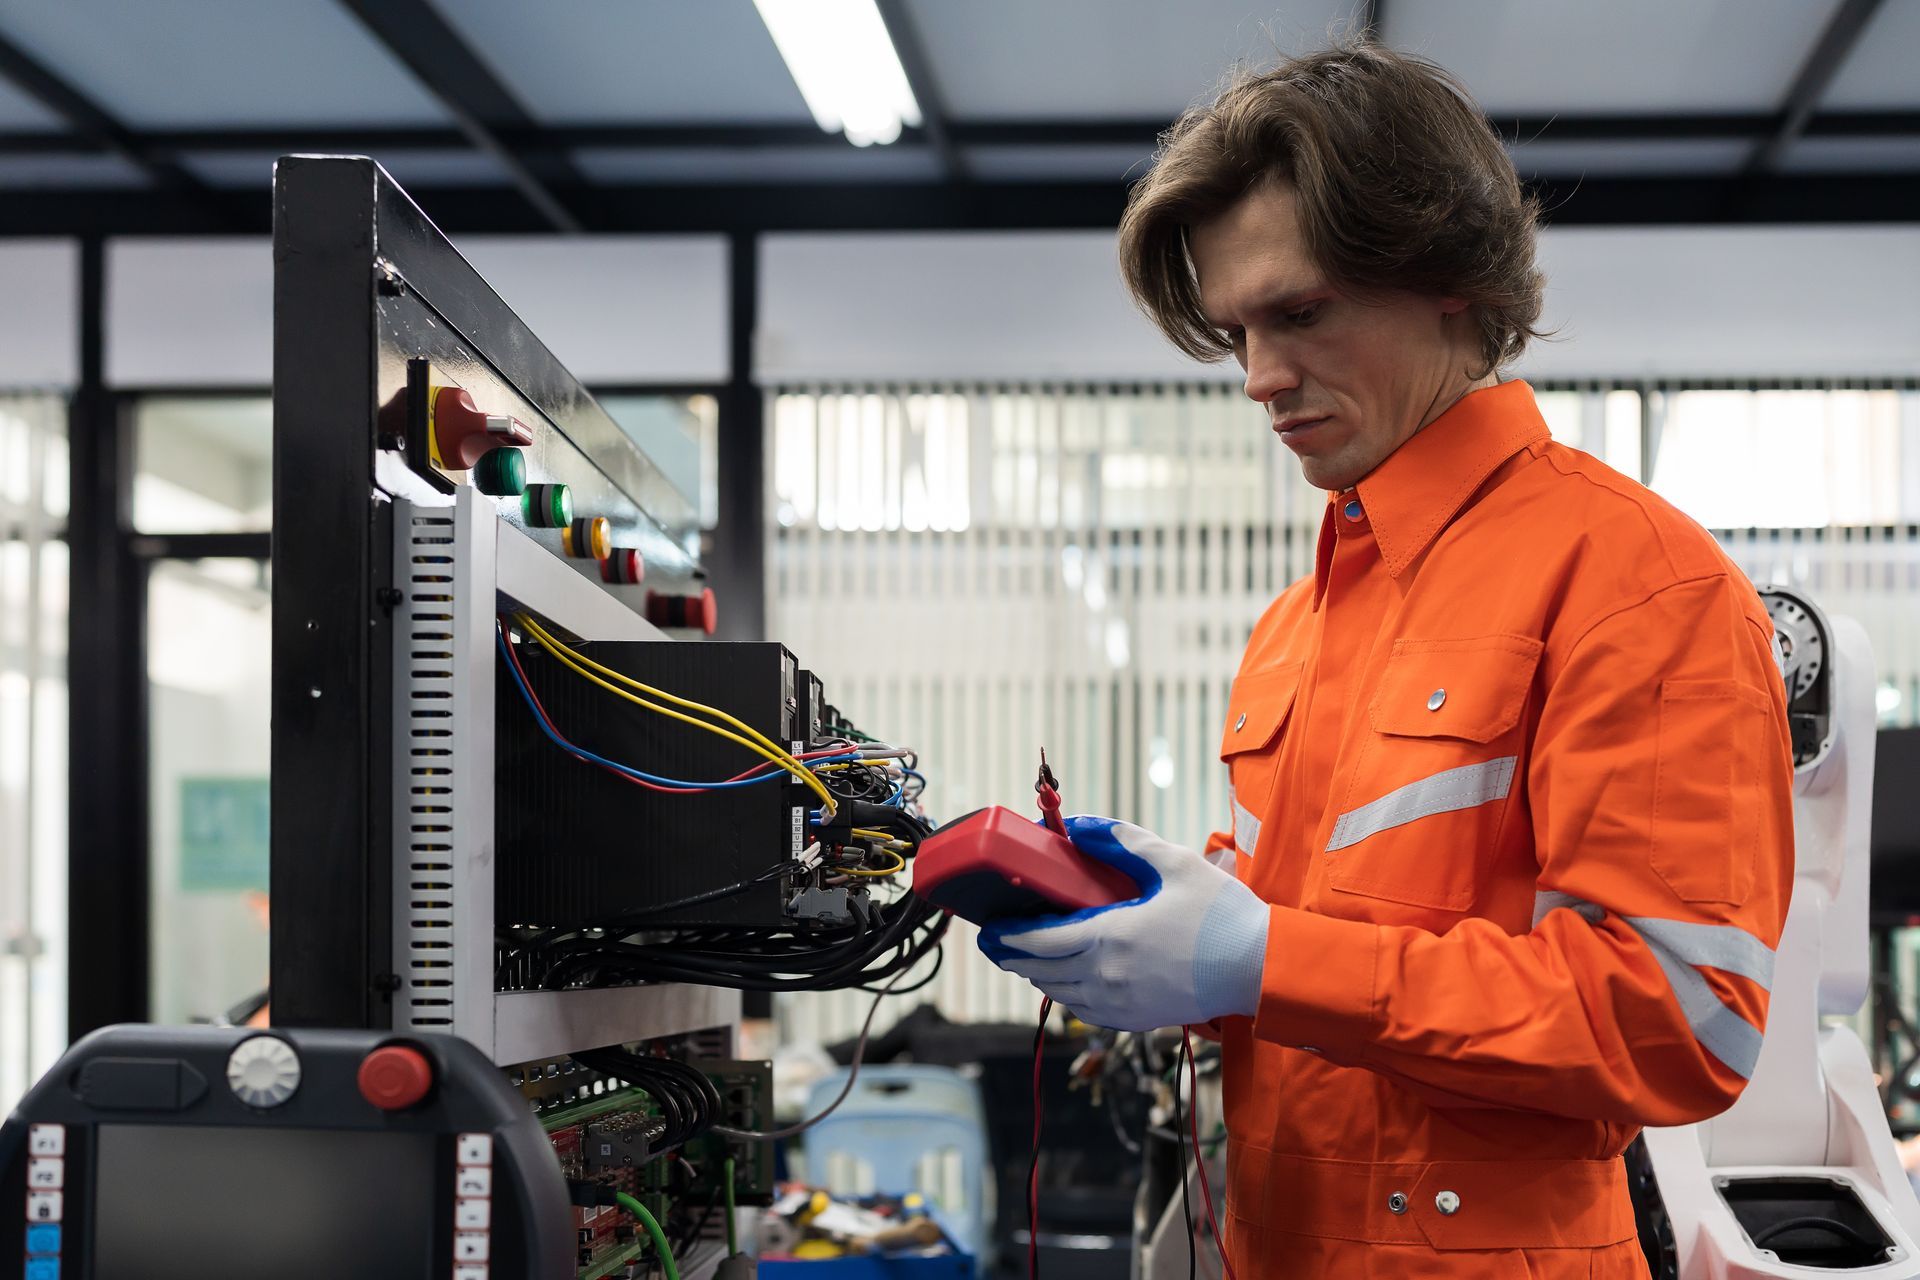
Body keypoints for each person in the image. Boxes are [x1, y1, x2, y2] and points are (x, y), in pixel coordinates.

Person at [976, 40, 1794, 1279]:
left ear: (1451, 277)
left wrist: (1261, 956)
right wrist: (1154, 936)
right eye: (1236, 331)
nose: (1258, 378)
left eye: (1300, 313)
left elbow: (1679, 1023)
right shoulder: (1292, 628)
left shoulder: (1639, 584)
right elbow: (1304, 959)